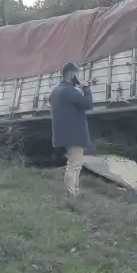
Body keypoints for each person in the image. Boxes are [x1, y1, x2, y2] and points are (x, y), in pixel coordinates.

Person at [49, 61, 93, 197]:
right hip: (74, 134)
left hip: (62, 133)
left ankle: (75, 191)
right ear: (72, 75)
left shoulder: (55, 91)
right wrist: (85, 88)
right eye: (77, 75)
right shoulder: (70, 91)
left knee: (74, 164)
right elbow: (88, 104)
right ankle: (71, 193)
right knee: (74, 165)